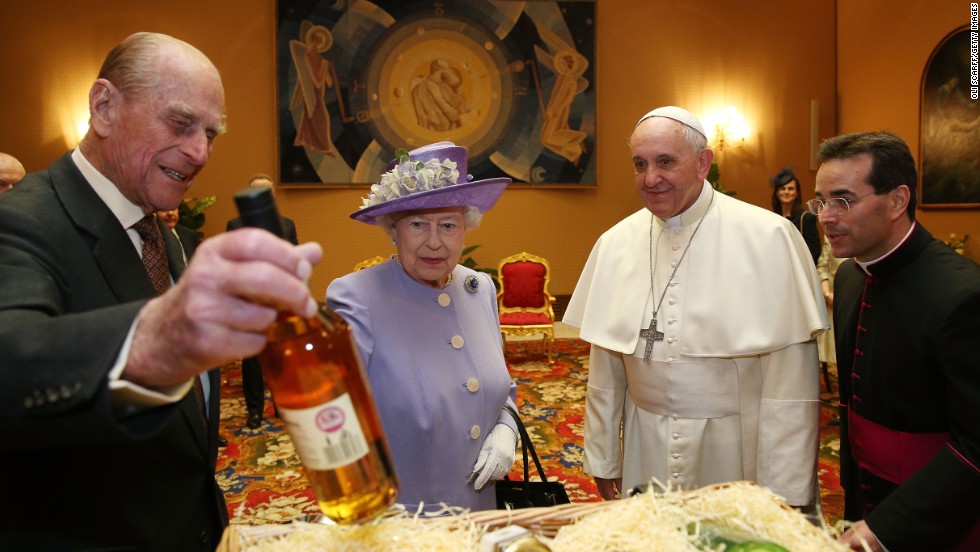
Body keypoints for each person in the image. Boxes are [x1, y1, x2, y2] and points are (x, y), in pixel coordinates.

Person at [0, 32, 322, 551]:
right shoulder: (21, 223)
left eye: (211, 134)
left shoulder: (167, 237)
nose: (199, 152)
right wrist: (156, 339)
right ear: (104, 106)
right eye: (180, 123)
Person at [564, 106, 827, 508]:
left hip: (736, 448)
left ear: (704, 162)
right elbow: (606, 365)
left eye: (666, 161)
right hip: (644, 443)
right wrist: (603, 455)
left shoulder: (769, 236)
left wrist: (786, 488)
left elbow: (790, 383)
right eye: (640, 164)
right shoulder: (615, 243)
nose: (651, 178)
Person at [326, 141, 518, 512]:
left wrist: (506, 430)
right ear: (393, 230)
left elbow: (502, 387)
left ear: (466, 228)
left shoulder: (478, 288)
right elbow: (333, 422)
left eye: (448, 225)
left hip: (480, 512)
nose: (435, 242)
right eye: (418, 224)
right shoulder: (356, 298)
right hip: (403, 520)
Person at [812, 131, 980, 551]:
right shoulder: (851, 275)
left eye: (843, 200)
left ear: (898, 200)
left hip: (941, 514)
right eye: (821, 201)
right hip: (866, 501)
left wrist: (888, 529)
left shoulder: (963, 295)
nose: (826, 216)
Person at [226, 173, 297, 429]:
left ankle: (282, 405)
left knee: (281, 356)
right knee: (253, 359)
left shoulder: (287, 225)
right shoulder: (235, 226)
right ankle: (254, 410)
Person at [771, 167, 821, 264]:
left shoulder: (806, 218)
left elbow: (814, 252)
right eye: (782, 189)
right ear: (777, 193)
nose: (786, 192)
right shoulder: (772, 218)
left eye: (790, 189)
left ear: (797, 193)